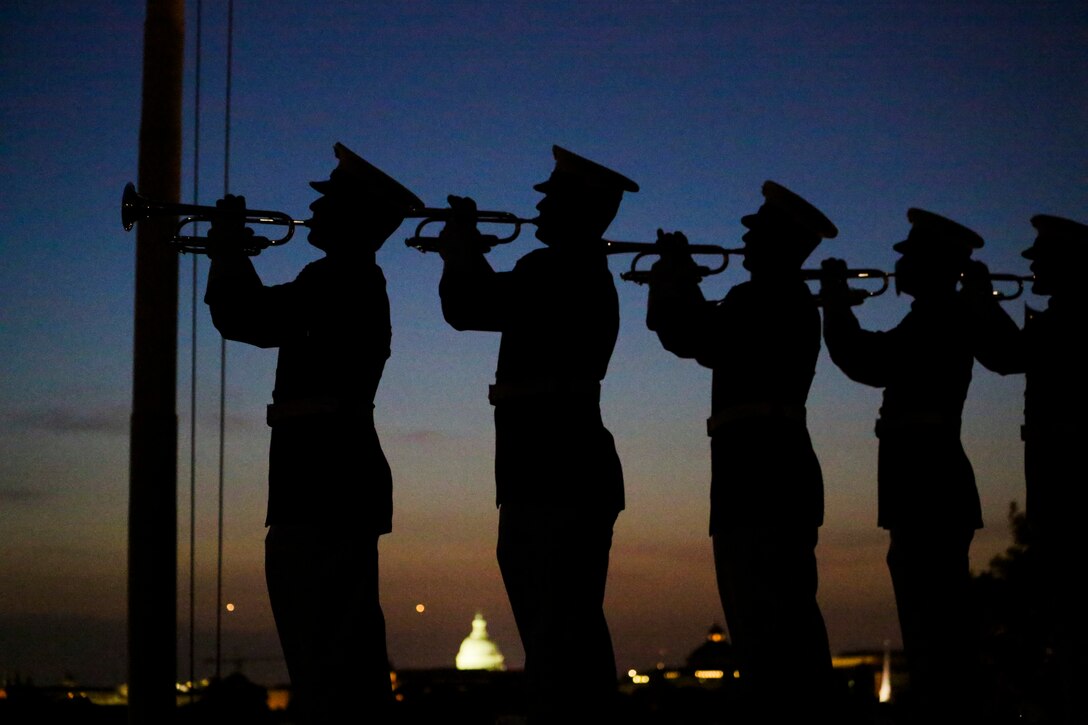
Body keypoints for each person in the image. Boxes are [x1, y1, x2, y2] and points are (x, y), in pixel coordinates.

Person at [204, 142, 422, 724]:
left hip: (322, 480)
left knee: (324, 648)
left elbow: (246, 318)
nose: (315, 214)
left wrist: (225, 251)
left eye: (330, 205)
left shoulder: (338, 277)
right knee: (333, 646)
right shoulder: (344, 277)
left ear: (355, 218)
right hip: (331, 476)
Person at [436, 145, 637, 723]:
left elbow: (467, 306)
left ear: (580, 210)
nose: (540, 208)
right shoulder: (572, 270)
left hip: (549, 467)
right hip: (560, 463)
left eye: (553, 199)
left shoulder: (551, 269)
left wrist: (460, 248)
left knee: (555, 627)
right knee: (564, 623)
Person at [645, 181, 842, 722]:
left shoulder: (762, 298)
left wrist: (672, 276)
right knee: (780, 624)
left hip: (756, 482)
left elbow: (691, 335)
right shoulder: (780, 299)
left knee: (767, 629)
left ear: (781, 244)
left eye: (758, 233)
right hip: (770, 476)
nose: (746, 241)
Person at [820, 208, 1014, 722]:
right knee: (935, 614)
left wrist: (836, 304)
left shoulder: (940, 315)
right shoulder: (940, 313)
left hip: (926, 481)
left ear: (932, 266)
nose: (898, 266)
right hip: (929, 478)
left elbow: (866, 360)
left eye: (909, 258)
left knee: (933, 621)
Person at [982, 214, 1088, 724]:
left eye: (1043, 258)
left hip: (1068, 481)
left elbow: (1006, 355)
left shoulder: (1072, 320)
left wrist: (979, 302)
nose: (1031, 265)